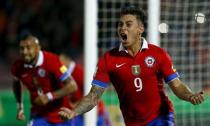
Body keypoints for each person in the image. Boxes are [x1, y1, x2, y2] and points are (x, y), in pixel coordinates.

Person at [58, 5, 205, 126]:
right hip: (132, 122)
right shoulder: (108, 59)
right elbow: (93, 96)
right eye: (120, 24)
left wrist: (190, 96)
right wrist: (74, 112)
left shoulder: (158, 54)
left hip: (160, 117)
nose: (123, 28)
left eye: (128, 24)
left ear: (140, 29)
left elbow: (177, 86)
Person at [11, 34, 78, 126]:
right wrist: (20, 106)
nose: (25, 52)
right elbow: (16, 82)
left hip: (61, 115)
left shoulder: (52, 60)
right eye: (22, 48)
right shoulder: (18, 67)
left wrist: (49, 97)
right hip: (38, 115)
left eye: (28, 48)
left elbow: (72, 86)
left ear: (38, 48)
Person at [59, 53, 112, 126]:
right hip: (80, 113)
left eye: (60, 62)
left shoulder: (80, 73)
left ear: (67, 60)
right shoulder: (64, 74)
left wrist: (75, 104)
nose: (58, 64)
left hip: (96, 112)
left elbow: (94, 92)